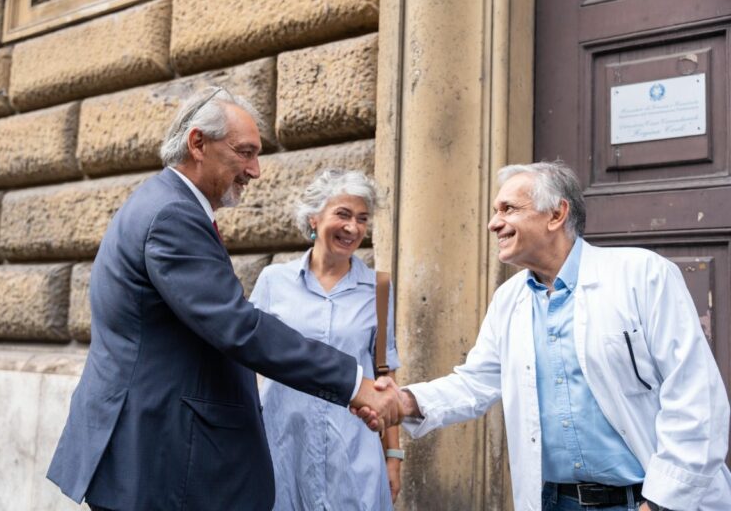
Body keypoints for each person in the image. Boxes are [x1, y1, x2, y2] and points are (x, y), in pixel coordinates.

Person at [46, 87, 402, 511]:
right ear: (198, 144)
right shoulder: (174, 215)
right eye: (245, 152)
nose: (255, 170)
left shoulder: (164, 203)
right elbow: (239, 327)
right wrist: (354, 384)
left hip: (158, 451)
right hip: (156, 454)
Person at [361, 161, 731, 510]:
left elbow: (696, 396)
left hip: (645, 497)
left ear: (556, 215)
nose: (493, 223)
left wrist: (661, 503)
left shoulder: (643, 274)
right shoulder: (509, 299)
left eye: (508, 209)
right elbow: (475, 384)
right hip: (555, 501)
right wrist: (406, 401)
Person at [250, 169, 403, 510]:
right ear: (314, 218)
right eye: (343, 214)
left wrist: (393, 455)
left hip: (353, 451)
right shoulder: (273, 281)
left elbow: (385, 374)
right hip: (282, 446)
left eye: (362, 218)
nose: (353, 228)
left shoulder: (378, 289)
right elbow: (247, 358)